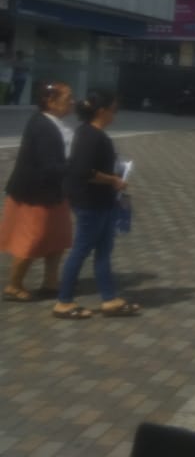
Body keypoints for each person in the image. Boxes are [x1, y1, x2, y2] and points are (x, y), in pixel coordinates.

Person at [52, 89, 139, 319]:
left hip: (102, 201)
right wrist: (114, 179)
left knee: (103, 251)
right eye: (114, 110)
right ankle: (64, 301)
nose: (115, 115)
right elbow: (83, 171)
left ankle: (109, 299)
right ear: (102, 111)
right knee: (81, 250)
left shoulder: (89, 132)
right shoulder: (92, 136)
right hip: (91, 202)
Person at [0, 81, 74, 302]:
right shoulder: (42, 126)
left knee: (58, 239)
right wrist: (78, 167)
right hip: (34, 195)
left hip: (54, 193)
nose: (72, 102)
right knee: (32, 239)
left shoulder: (55, 123)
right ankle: (14, 285)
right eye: (67, 98)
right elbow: (49, 165)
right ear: (50, 101)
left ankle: (51, 282)